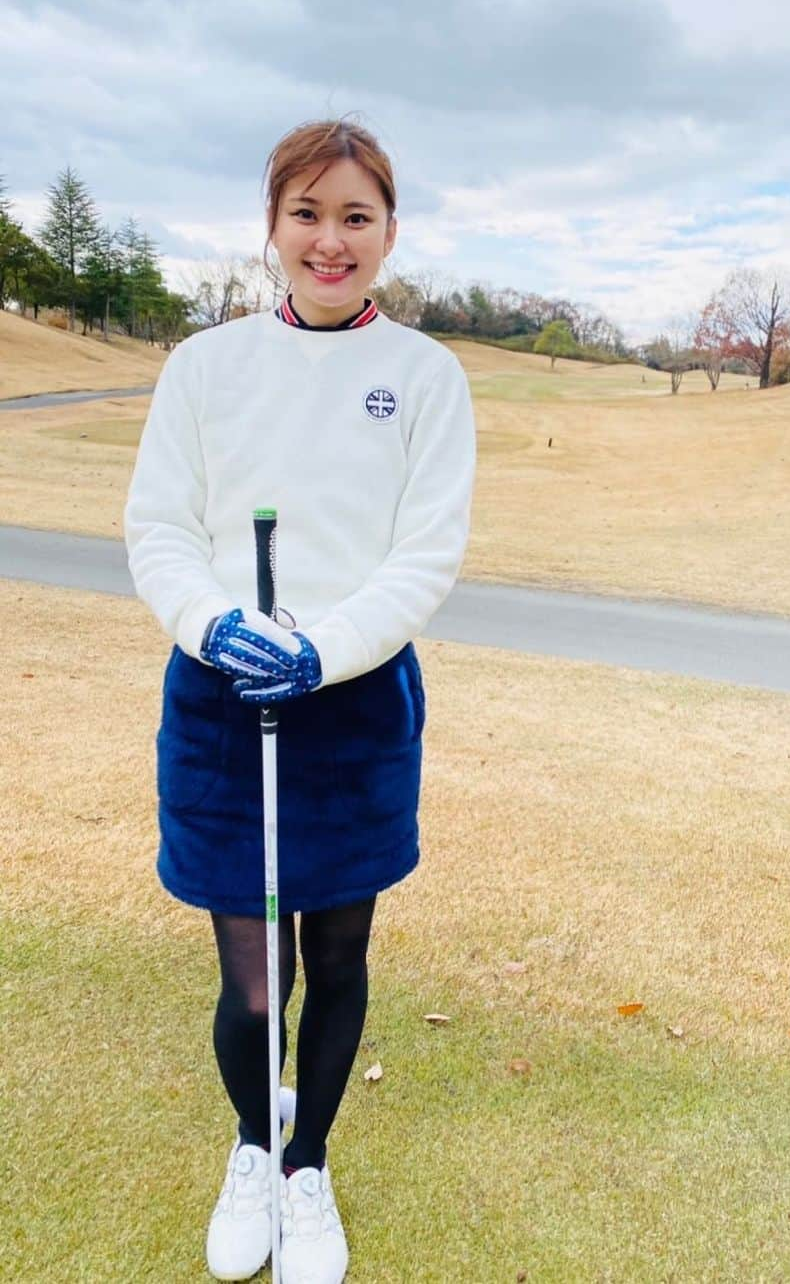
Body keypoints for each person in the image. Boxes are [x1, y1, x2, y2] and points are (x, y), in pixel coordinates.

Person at [124, 117, 476, 1284]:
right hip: (222, 697)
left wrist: (321, 650)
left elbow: (423, 557)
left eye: (355, 217)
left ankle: (307, 1165)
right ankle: (251, 1145)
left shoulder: (426, 376)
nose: (331, 241)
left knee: (338, 944)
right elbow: (162, 529)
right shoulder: (203, 366)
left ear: (388, 231)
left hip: (355, 699)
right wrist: (215, 624)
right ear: (273, 226)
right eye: (307, 214)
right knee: (251, 968)